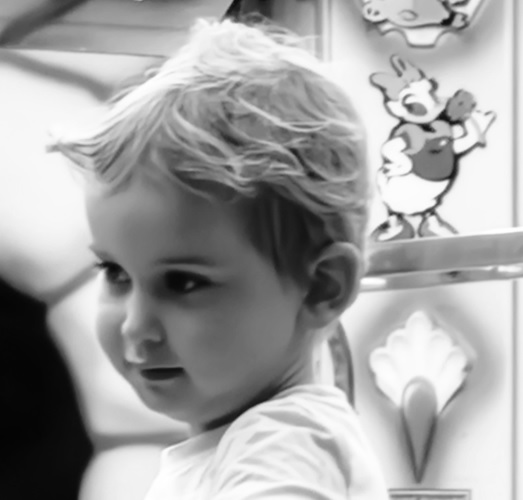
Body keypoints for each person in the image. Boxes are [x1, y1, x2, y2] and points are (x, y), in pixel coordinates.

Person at [48, 17, 388, 500]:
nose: (135, 327)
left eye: (183, 282)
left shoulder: (281, 444)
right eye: (115, 272)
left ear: (322, 287)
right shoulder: (246, 443)